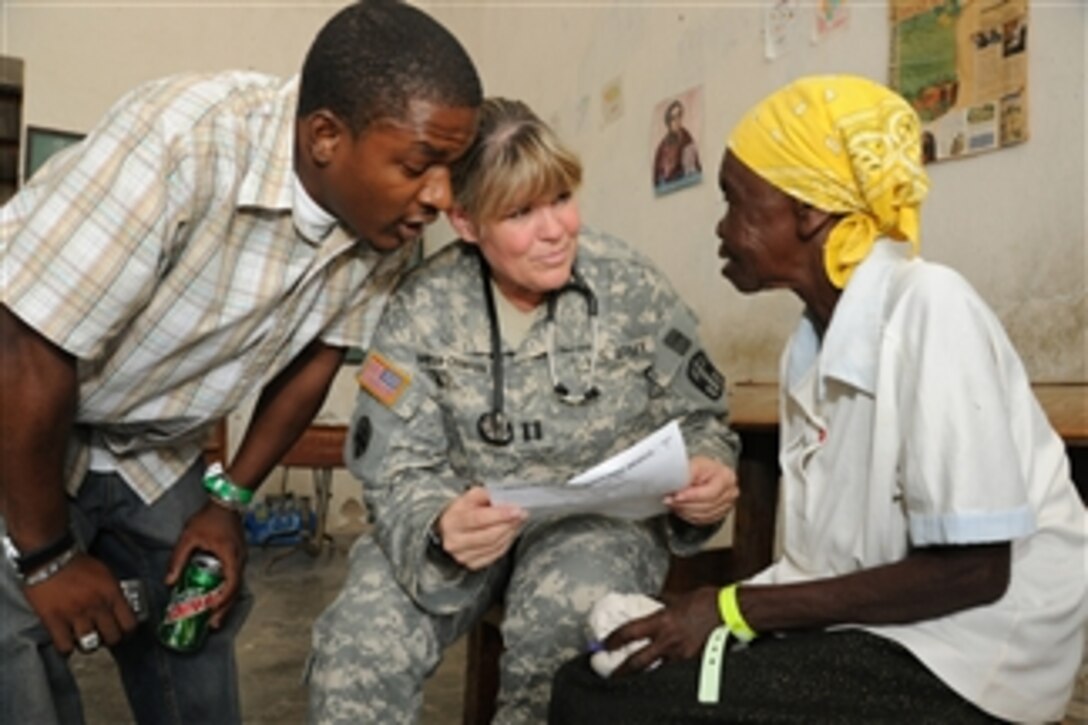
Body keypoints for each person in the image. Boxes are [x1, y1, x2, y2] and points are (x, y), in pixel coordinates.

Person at [549, 75, 1087, 723]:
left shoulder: (931, 308)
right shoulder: (810, 345)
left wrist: (728, 608)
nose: (721, 228)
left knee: (639, 706)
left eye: (735, 201)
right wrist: (710, 611)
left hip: (973, 654)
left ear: (807, 211)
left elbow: (973, 573)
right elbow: (821, 564)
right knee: (594, 676)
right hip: (884, 629)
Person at [0, 1, 481, 722]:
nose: (440, 196)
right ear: (325, 136)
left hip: (147, 447)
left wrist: (229, 501)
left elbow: (316, 360)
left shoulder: (385, 224)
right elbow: (25, 347)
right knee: (19, 645)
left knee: (197, 608)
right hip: (20, 409)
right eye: (420, 165)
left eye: (452, 168)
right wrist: (46, 557)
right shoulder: (183, 141)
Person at [307, 97, 740, 724]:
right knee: (356, 643)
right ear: (464, 221)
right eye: (519, 212)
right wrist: (437, 523)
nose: (555, 229)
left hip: (594, 521)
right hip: (463, 523)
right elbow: (396, 469)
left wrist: (708, 466)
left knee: (561, 631)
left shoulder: (629, 286)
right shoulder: (422, 307)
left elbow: (703, 418)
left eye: (561, 197)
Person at [653, 99, 701, 189]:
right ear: (668, 121)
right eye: (673, 118)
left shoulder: (686, 138)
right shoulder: (662, 146)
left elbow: (693, 168)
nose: (677, 121)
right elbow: (657, 176)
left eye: (679, 116)